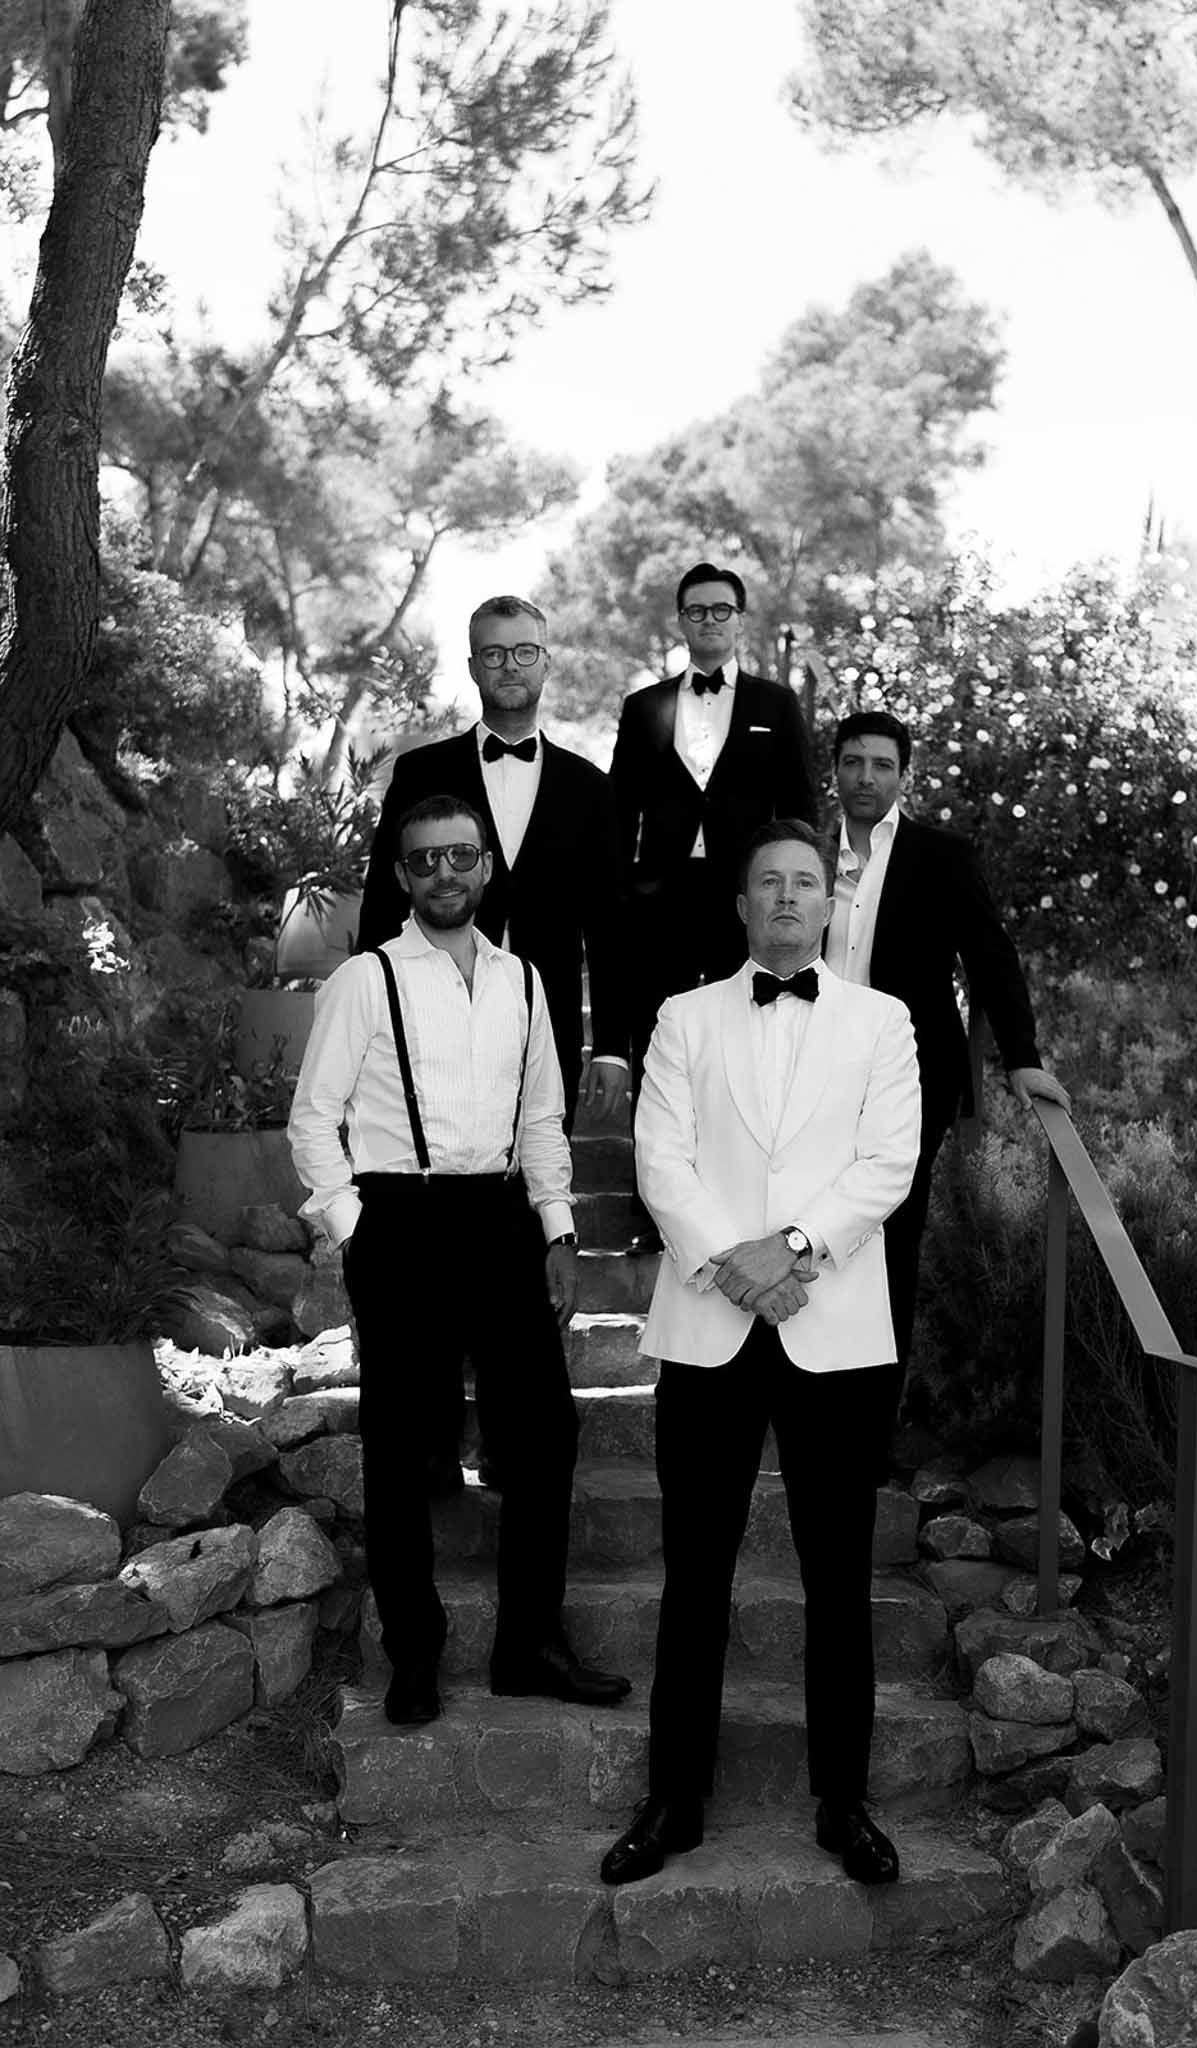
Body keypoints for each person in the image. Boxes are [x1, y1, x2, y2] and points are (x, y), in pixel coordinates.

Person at [599, 819, 920, 1889]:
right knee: (696, 1570)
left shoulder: (884, 1021)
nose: (787, 897)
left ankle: (844, 1799)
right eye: (767, 882)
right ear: (740, 906)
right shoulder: (682, 1016)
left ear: (829, 904)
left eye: (805, 882)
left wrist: (787, 1249)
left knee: (837, 1576)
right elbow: (660, 1158)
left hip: (834, 1326)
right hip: (708, 1319)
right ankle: (673, 1795)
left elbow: (887, 1165)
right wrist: (727, 1264)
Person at [289, 793, 631, 1727]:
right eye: (426, 860)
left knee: (547, 1432)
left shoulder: (524, 982)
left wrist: (559, 1230)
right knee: (401, 1447)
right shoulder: (366, 979)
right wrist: (355, 1227)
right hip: (399, 1217)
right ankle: (415, 1652)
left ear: (485, 868)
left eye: (461, 857)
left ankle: (528, 1644)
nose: (446, 873)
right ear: (403, 877)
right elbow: (313, 1120)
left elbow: (543, 1119)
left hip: (504, 1220)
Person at [826, 710, 1069, 1366]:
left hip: (909, 1073)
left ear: (904, 776)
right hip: (810, 1072)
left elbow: (991, 957)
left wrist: (1022, 1059)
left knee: (892, 1231)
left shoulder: (941, 857)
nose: (865, 777)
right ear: (835, 771)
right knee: (810, 1220)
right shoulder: (809, 856)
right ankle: (806, 1395)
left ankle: (874, 1411)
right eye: (853, 762)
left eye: (881, 764)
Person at [356, 595, 628, 1132]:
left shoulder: (591, 788)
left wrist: (613, 1047)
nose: (510, 665)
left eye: (525, 652)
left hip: (547, 1022)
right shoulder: (419, 773)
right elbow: (384, 899)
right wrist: (370, 1019)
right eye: (495, 653)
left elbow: (609, 922)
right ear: (474, 667)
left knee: (539, 1178)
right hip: (428, 1014)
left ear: (547, 663)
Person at [608, 562, 820, 1252]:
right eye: (696, 611)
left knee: (745, 1044)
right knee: (659, 1049)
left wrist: (795, 895)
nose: (709, 621)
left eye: (721, 610)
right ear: (681, 621)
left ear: (740, 619)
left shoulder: (777, 706)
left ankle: (739, 1197)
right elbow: (620, 811)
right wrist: (623, 888)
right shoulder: (643, 707)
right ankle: (655, 1210)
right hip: (658, 901)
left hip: (744, 903)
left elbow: (801, 811)